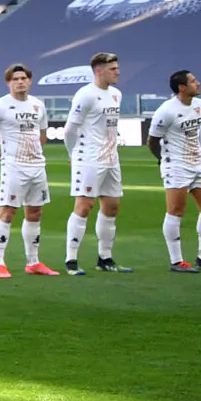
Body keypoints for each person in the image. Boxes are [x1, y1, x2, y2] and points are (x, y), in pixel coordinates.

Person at [0, 64, 57, 278]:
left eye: (24, 78)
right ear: (8, 83)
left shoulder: (37, 105)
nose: (20, 82)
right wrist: (1, 157)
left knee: (35, 212)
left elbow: (42, 135)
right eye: (15, 79)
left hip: (37, 167)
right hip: (14, 167)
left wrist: (36, 154)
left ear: (30, 81)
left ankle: (33, 262)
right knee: (7, 212)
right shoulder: (0, 106)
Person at [147, 70, 201, 272]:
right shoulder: (167, 110)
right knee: (176, 211)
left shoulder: (200, 105)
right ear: (182, 88)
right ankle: (176, 261)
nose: (198, 83)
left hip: (198, 164)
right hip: (177, 165)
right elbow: (152, 141)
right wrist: (163, 160)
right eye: (193, 81)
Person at [63, 52, 128, 274]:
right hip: (89, 157)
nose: (117, 71)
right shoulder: (86, 95)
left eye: (117, 68)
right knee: (84, 206)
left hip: (111, 158)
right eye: (112, 68)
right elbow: (70, 129)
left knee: (112, 206)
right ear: (98, 71)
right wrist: (72, 154)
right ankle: (71, 260)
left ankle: (105, 258)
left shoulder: (116, 94)